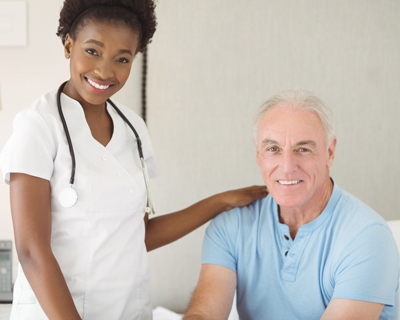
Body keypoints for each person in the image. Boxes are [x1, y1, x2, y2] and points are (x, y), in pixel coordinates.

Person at [0, 1, 267, 319]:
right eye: (93, 51)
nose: (104, 71)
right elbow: (31, 252)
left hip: (128, 311)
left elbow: (137, 236)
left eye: (122, 58)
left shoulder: (133, 129)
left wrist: (221, 202)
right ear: (69, 44)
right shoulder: (38, 126)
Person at [184, 89, 400, 320]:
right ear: (258, 153)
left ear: (330, 151)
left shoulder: (367, 237)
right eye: (273, 149)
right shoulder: (230, 226)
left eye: (303, 149)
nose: (287, 167)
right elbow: (204, 314)